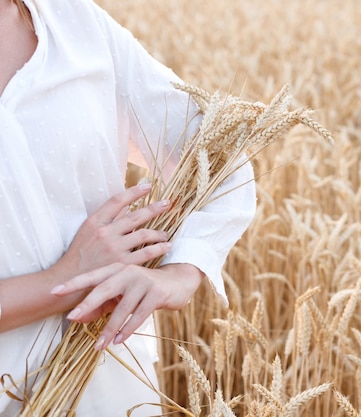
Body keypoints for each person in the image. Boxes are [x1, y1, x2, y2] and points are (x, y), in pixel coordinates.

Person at [0, 0, 256, 415]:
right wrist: (62, 280)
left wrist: (184, 268)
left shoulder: (75, 22)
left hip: (105, 378)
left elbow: (218, 146)